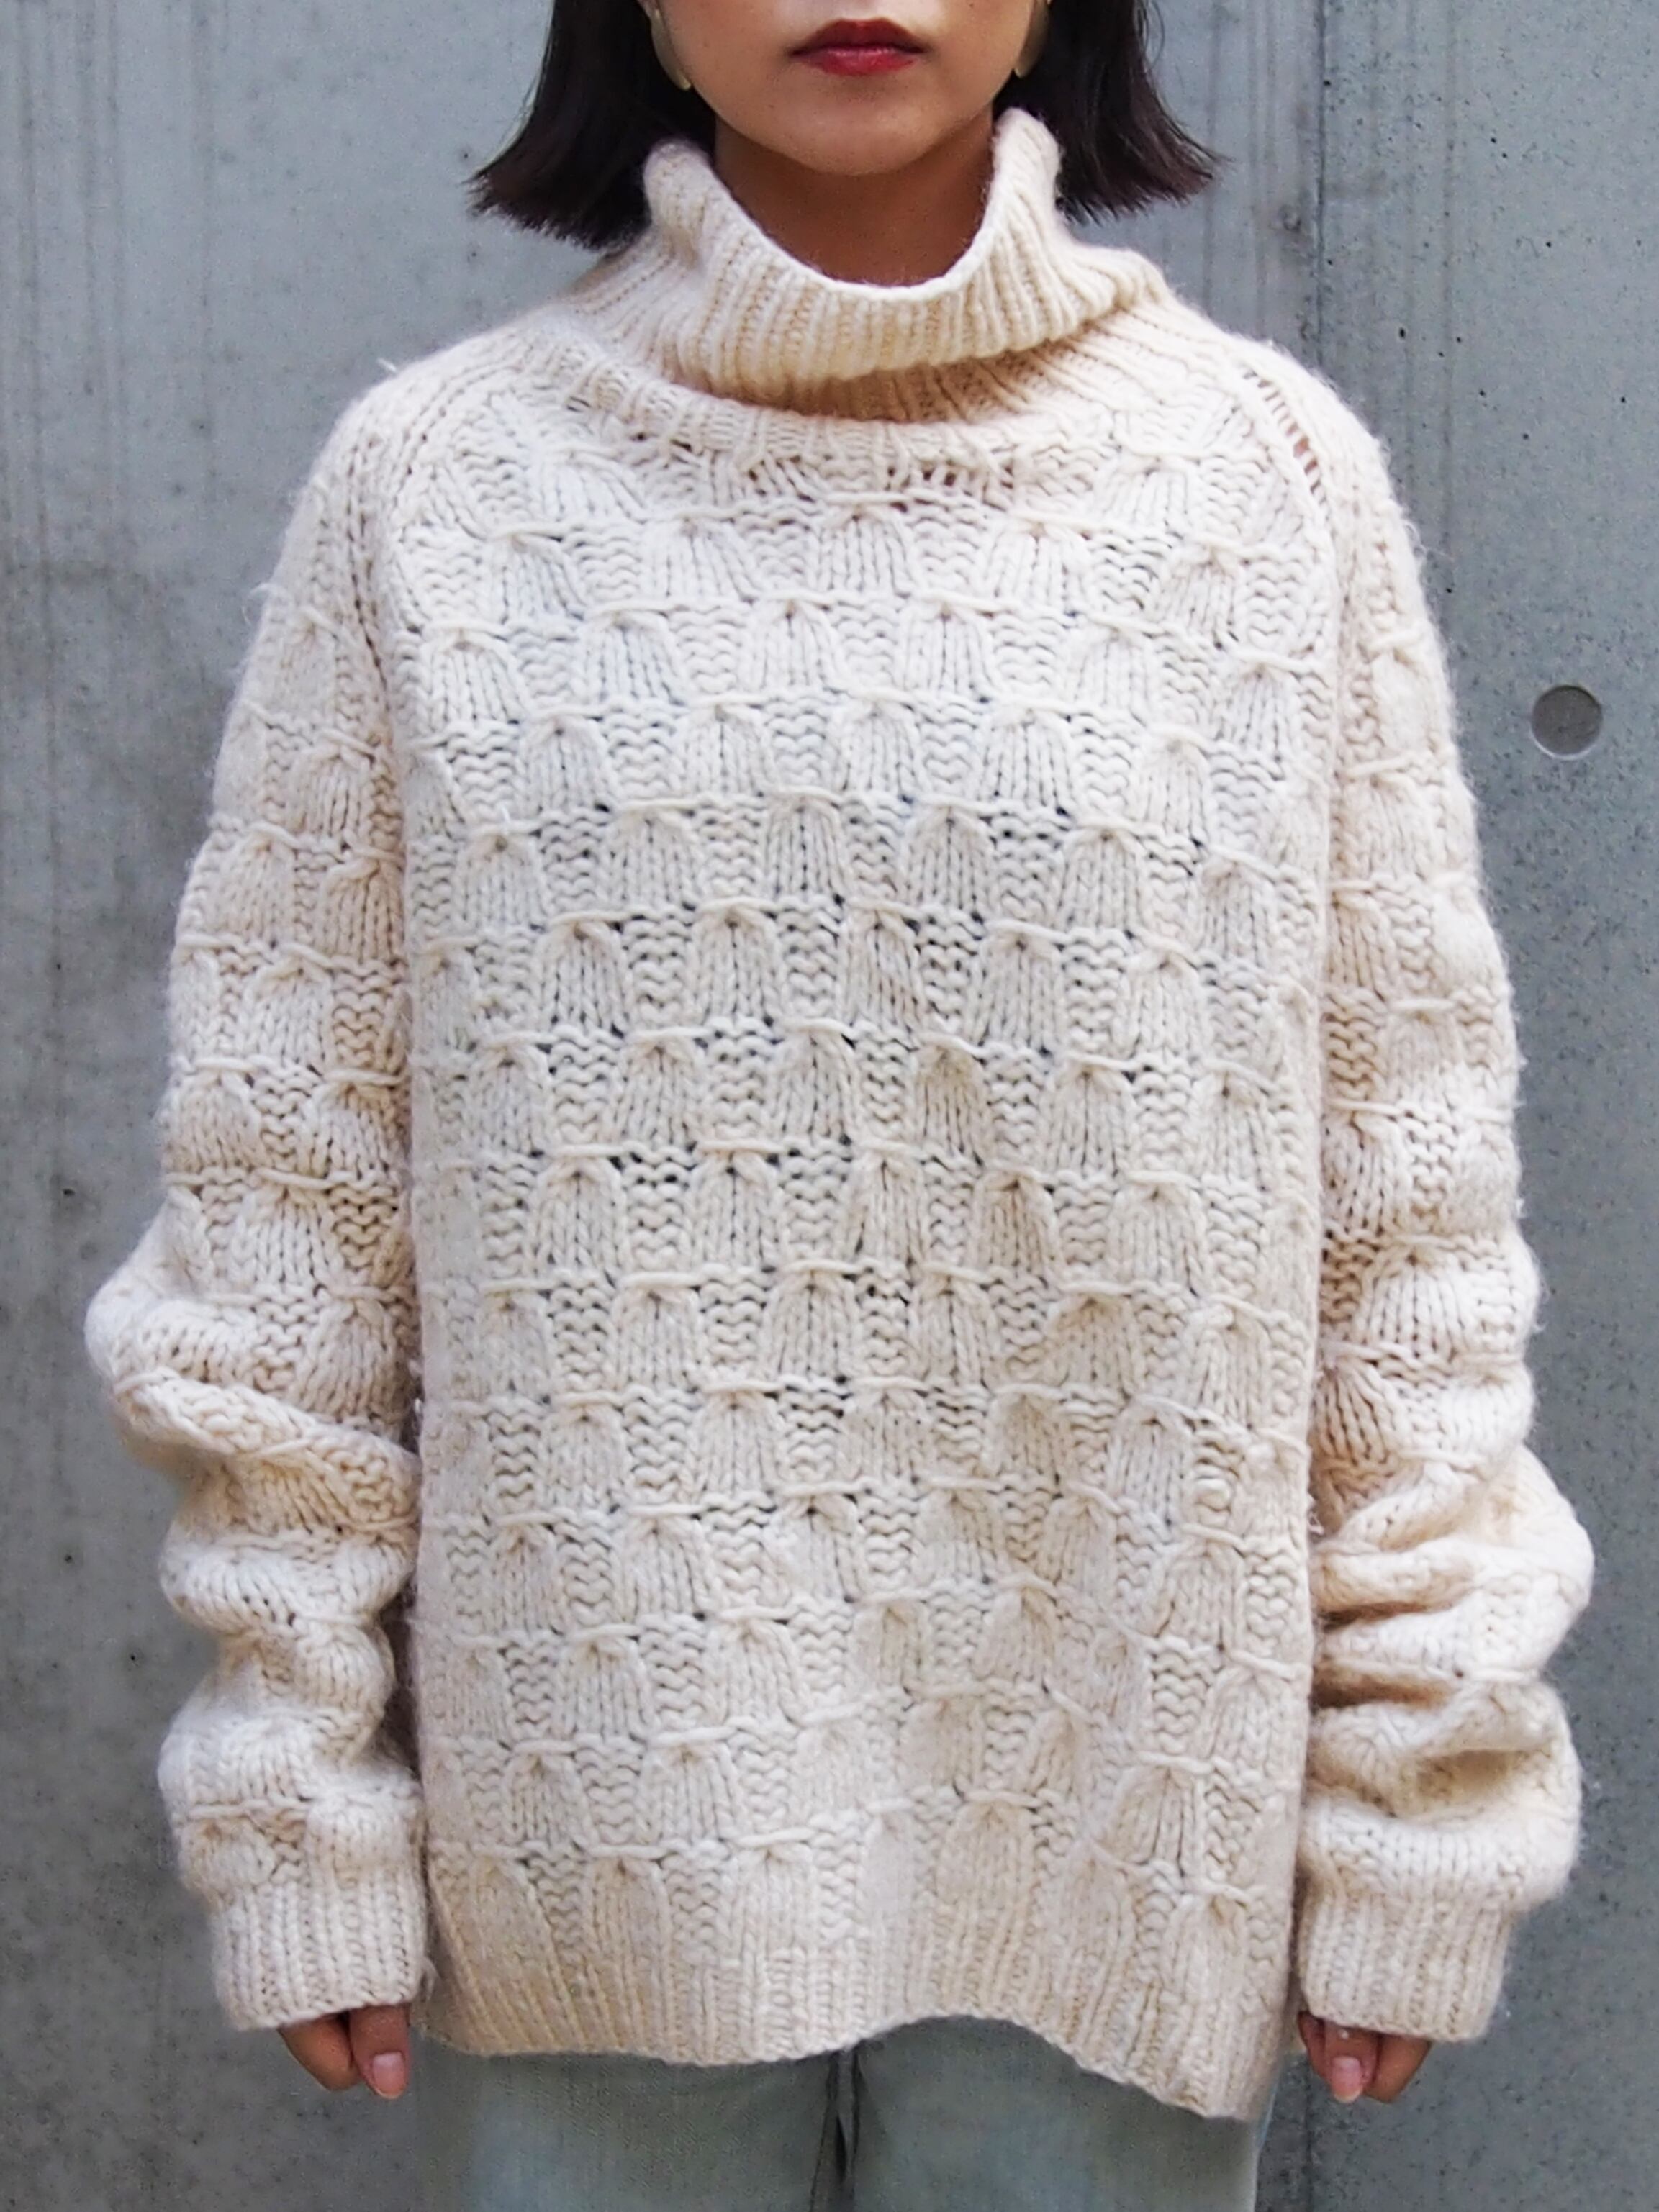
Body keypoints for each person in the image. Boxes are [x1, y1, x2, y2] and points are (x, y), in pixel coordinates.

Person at [83, 0, 1596, 2204]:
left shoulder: (1258, 488)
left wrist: (1420, 1791)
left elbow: (1405, 1217)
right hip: (592, 1831)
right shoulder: (433, 492)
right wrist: (290, 1779)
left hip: (1120, 1820)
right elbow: (286, 1206)